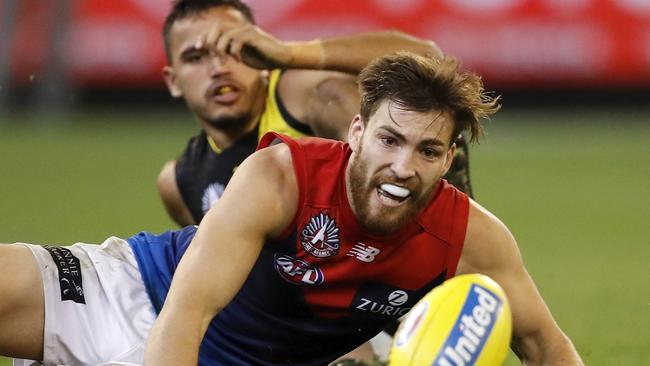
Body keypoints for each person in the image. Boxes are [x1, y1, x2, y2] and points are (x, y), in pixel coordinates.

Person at [0, 53, 583, 366]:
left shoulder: (471, 239)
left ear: (448, 158)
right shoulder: (280, 177)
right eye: (389, 140)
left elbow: (545, 346)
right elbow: (186, 313)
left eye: (427, 150)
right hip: (136, 295)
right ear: (356, 131)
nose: (404, 166)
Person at [157, 0, 474, 228]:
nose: (218, 68)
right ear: (173, 81)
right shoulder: (180, 183)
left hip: (397, 277)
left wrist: (290, 54)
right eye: (196, 57)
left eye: (232, 48)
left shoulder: (299, 95)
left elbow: (429, 59)